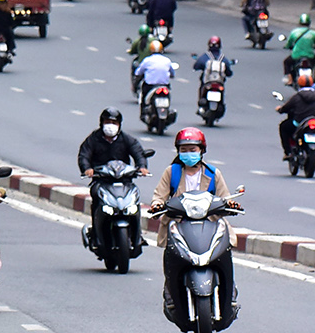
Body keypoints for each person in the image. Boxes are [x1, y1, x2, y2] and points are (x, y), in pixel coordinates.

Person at [147, 129, 238, 326]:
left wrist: (230, 205)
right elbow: (159, 195)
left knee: (225, 254)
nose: (189, 153)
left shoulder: (213, 173)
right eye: (184, 149)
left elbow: (225, 197)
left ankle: (230, 291)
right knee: (172, 259)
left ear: (201, 150)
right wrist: (157, 205)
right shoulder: (172, 172)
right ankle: (171, 293)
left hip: (210, 224)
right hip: (179, 224)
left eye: (192, 149)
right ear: (178, 151)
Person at [77, 108, 150, 242]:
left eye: (114, 122)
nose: (110, 125)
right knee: (96, 197)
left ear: (119, 125)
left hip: (124, 181)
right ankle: (96, 233)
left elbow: (139, 153)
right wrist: (87, 169)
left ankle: (137, 235)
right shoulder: (94, 139)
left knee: (134, 200)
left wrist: (142, 167)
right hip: (102, 181)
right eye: (107, 122)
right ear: (102, 123)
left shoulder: (126, 139)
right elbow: (84, 155)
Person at [277, 69, 315, 157]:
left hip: (299, 122)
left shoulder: (297, 96)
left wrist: (280, 109)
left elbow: (286, 108)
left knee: (283, 127)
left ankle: (288, 152)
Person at [284, 11, 315, 81]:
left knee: (286, 62)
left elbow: (289, 43)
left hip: (296, 56)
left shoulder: (294, 32)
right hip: (309, 56)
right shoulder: (314, 33)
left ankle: (290, 79)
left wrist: (287, 46)